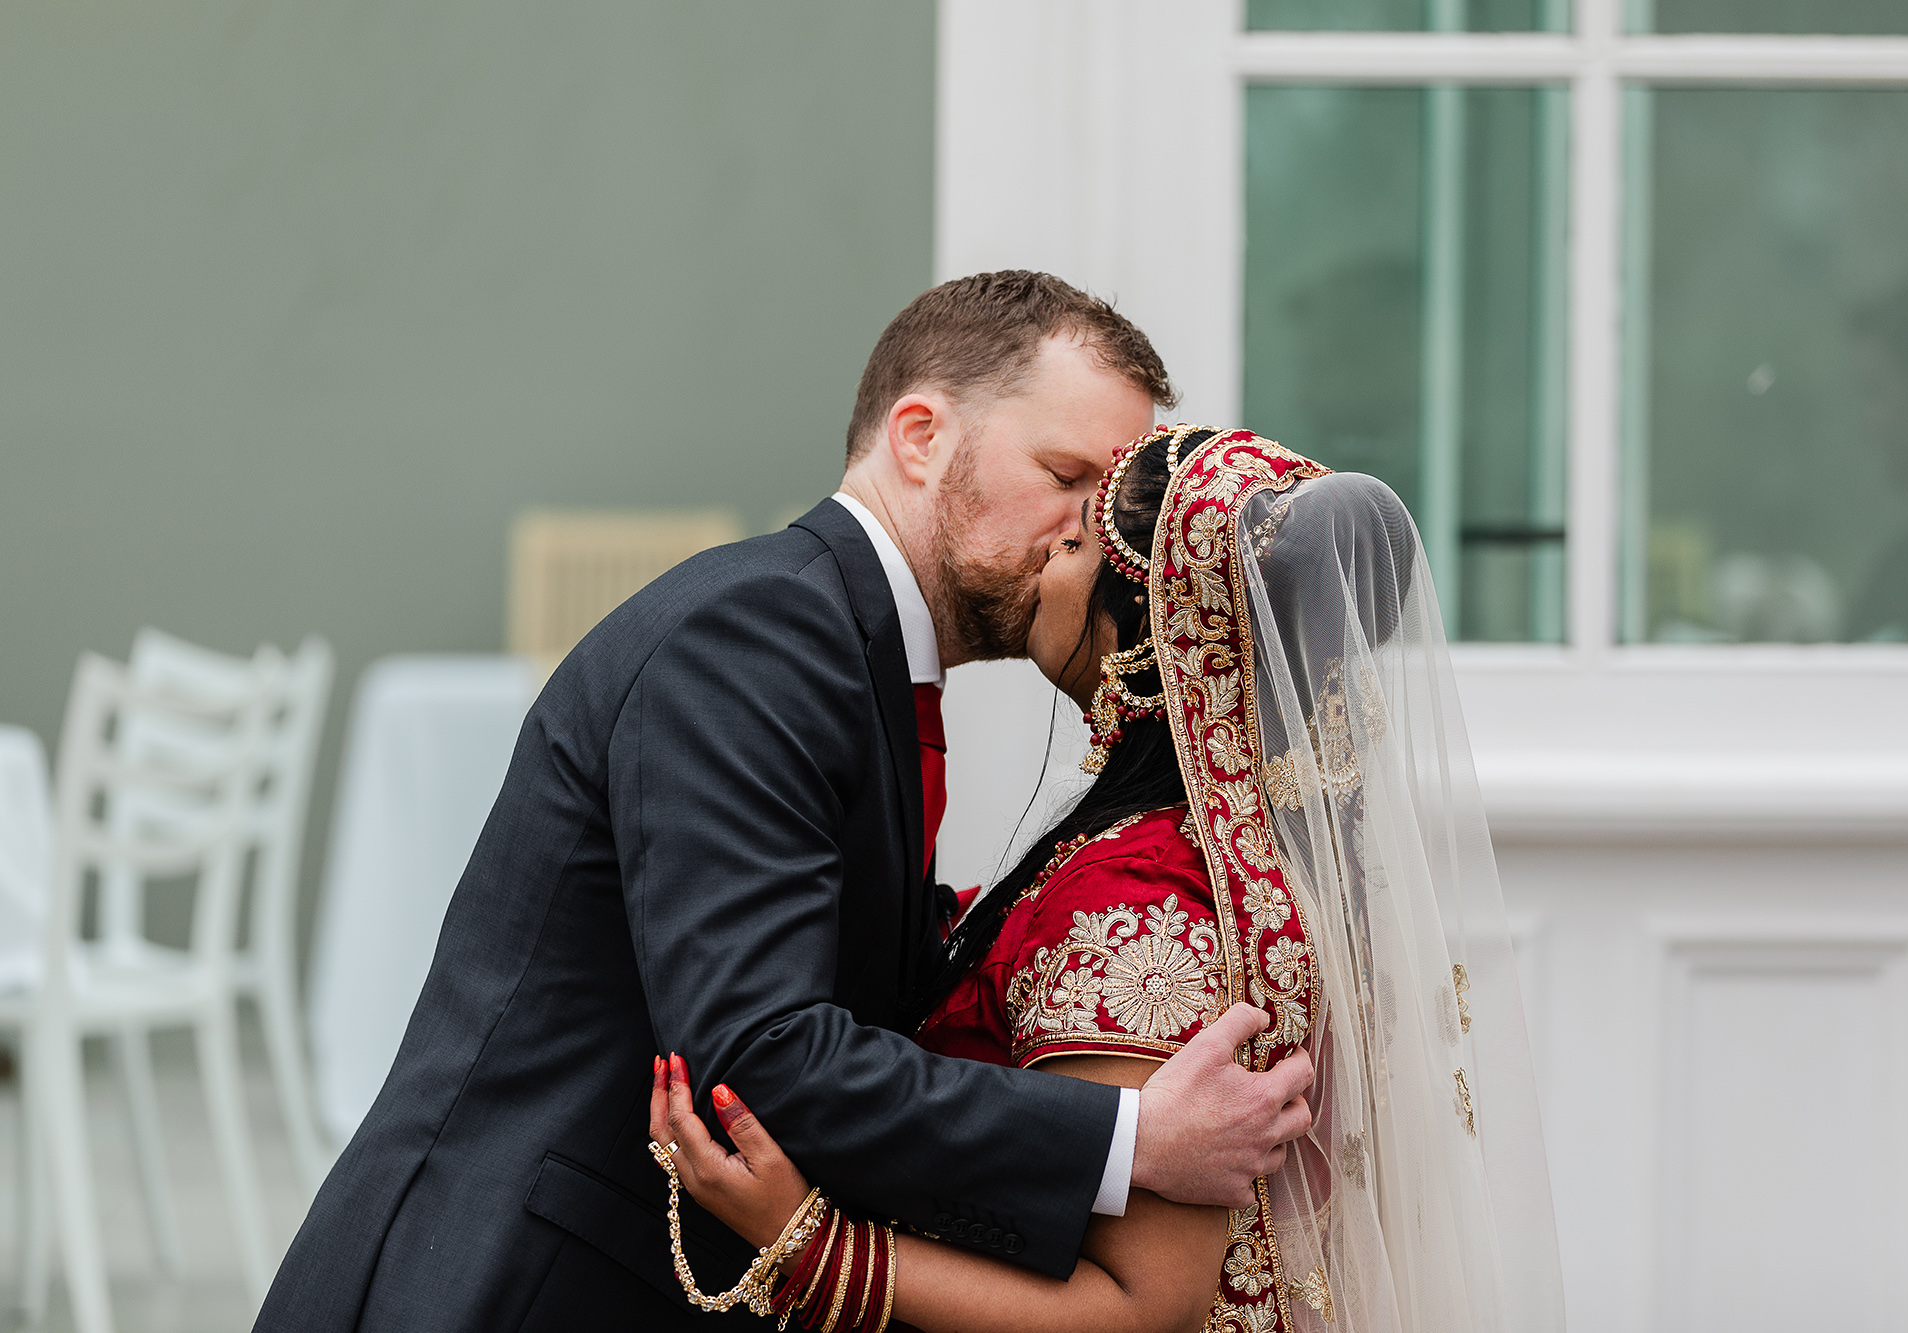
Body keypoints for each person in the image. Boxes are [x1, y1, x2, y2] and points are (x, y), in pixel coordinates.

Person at [255, 275, 1316, 1333]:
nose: (1090, 534)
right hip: (498, 1283)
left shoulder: (850, 653)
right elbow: (762, 1049)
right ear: (919, 435)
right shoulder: (759, 636)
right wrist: (1131, 1139)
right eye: (1063, 474)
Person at [655, 426, 1568, 1332]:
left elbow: (1141, 1303)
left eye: (1079, 539)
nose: (1051, 546)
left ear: (1148, 626)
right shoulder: (1252, 855)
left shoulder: (1142, 895)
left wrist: (812, 1249)